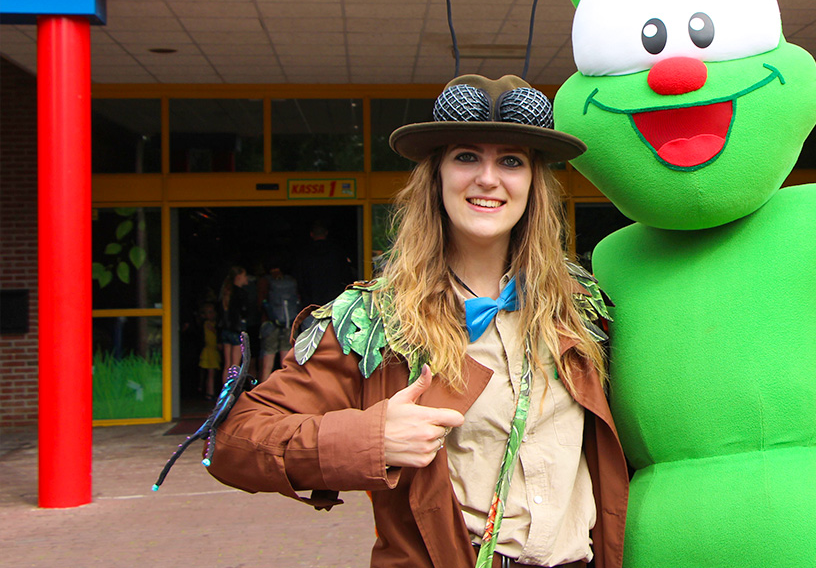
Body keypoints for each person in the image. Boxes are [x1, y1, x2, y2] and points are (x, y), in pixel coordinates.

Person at [206, 75, 627, 568]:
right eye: (466, 157)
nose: (488, 178)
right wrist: (372, 437)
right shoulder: (374, 322)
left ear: (533, 183)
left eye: (511, 161)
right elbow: (234, 442)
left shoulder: (580, 308)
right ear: (437, 176)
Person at [292, 218, 356, 309]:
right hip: (335, 301)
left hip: (311, 302)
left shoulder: (304, 254)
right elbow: (347, 276)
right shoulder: (337, 252)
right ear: (326, 233)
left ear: (311, 234)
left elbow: (299, 278)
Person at [257, 263, 300, 382]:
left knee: (267, 365)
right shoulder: (291, 281)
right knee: (285, 365)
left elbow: (260, 303)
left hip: (270, 325)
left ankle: (263, 396)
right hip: (288, 323)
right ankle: (286, 395)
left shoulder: (265, 281)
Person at [217, 265, 251, 386]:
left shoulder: (225, 292)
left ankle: (224, 392)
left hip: (225, 331)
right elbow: (244, 312)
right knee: (235, 365)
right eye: (244, 275)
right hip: (236, 330)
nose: (246, 278)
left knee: (227, 365)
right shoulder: (240, 294)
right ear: (238, 277)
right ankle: (233, 392)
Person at [197, 301, 221, 399]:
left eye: (212, 312)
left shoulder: (212, 323)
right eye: (209, 312)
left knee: (210, 373)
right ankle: (209, 393)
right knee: (210, 373)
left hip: (213, 350)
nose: (212, 314)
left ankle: (208, 391)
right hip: (210, 351)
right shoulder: (208, 324)